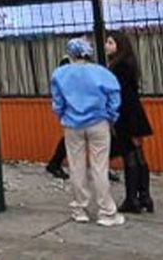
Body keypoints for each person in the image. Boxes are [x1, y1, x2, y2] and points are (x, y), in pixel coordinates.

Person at [51, 38, 124, 227]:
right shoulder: (101, 73)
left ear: (70, 53)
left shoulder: (60, 74)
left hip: (72, 124)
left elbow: (58, 102)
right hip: (98, 122)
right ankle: (107, 212)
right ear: (88, 52)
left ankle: (79, 209)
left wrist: (62, 116)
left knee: (76, 166)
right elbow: (114, 97)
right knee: (100, 167)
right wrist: (110, 116)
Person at [106, 32, 154, 213]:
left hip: (126, 117)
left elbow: (123, 97)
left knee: (130, 157)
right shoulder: (128, 65)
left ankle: (132, 198)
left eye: (110, 42)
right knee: (139, 156)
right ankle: (145, 197)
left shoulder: (119, 68)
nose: (106, 45)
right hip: (134, 115)